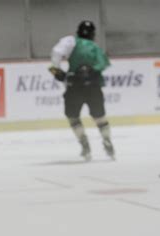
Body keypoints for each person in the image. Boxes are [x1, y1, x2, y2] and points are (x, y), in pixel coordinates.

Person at [49, 20, 115, 161]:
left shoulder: (71, 42)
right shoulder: (96, 48)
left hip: (75, 85)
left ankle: (84, 142)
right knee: (100, 117)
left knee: (73, 117)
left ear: (78, 31)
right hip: (94, 86)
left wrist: (56, 69)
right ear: (93, 34)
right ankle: (107, 140)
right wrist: (92, 70)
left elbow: (56, 53)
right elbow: (104, 63)